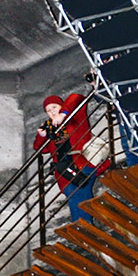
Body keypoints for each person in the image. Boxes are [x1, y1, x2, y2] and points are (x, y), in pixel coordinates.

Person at [33, 93, 110, 223]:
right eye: (48, 110)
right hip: (65, 172)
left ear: (61, 106)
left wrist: (63, 114)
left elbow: (76, 97)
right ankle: (83, 230)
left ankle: (83, 231)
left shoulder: (74, 118)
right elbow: (38, 148)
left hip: (82, 164)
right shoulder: (52, 130)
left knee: (79, 195)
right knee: (76, 197)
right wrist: (42, 135)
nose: (52, 112)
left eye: (54, 107)